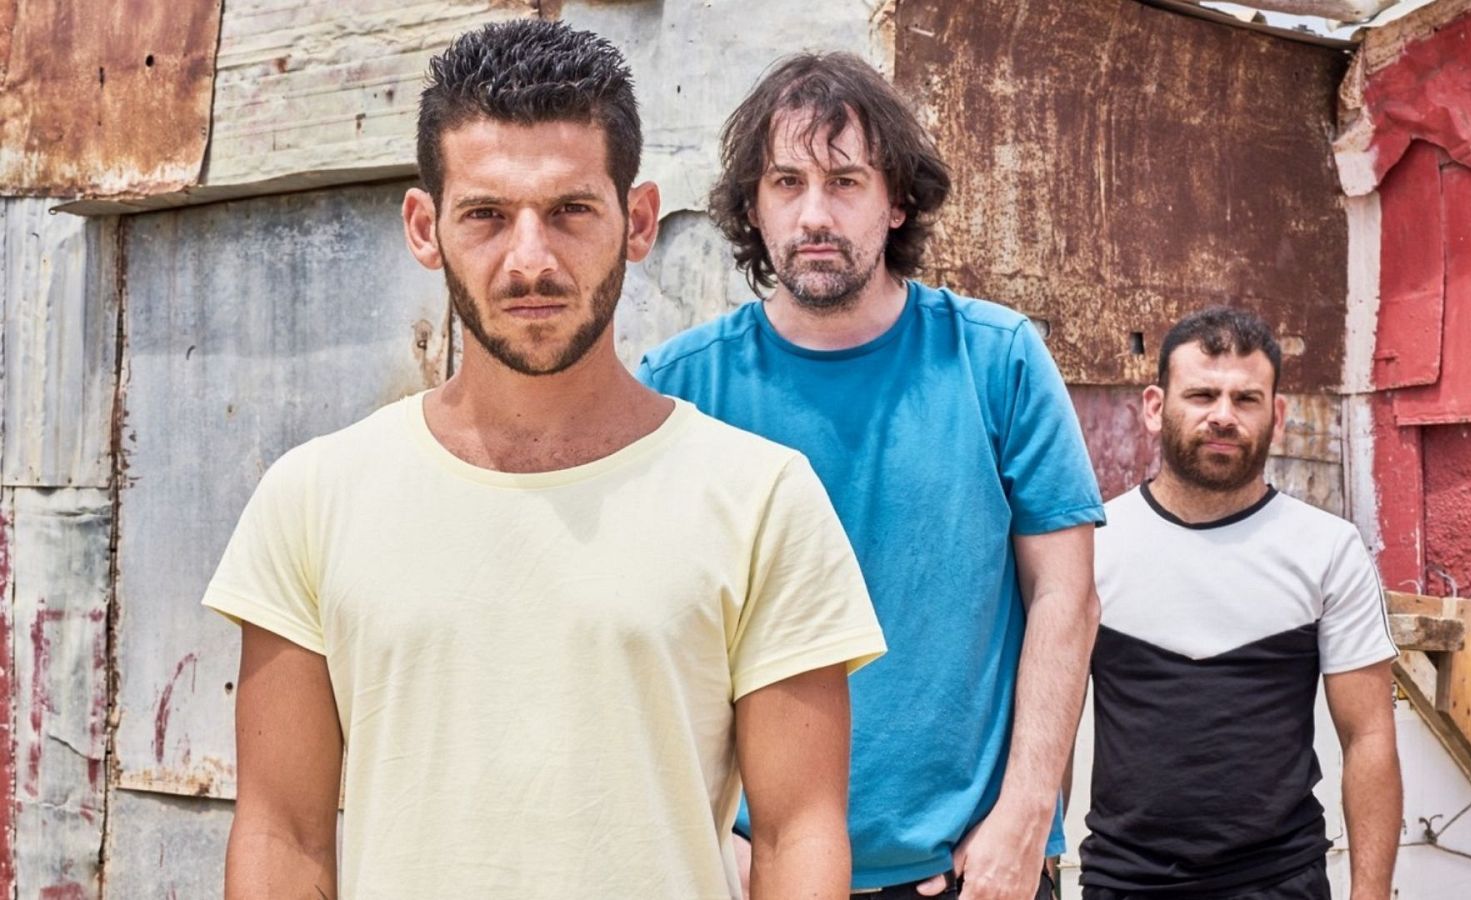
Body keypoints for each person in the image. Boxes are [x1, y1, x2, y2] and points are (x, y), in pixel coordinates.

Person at [204, 20, 885, 900]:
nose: (530, 260)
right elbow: (282, 839)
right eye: (486, 215)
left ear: (639, 221)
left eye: (570, 211)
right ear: (425, 227)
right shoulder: (312, 500)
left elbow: (797, 837)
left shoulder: (761, 500)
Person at [640, 52, 1103, 900]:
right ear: (753, 205)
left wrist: (1027, 815)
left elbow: (1065, 597)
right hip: (752, 871)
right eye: (786, 183)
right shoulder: (679, 388)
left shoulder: (996, 360)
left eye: (845, 182)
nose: (815, 214)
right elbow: (643, 632)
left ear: (896, 203)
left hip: (970, 870)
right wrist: (704, 838)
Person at [1080, 307, 1401, 900]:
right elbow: (1047, 729)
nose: (1223, 416)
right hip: (1124, 882)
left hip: (1281, 881)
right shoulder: (1092, 547)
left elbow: (1369, 737)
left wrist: (1371, 893)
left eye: (1246, 399)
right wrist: (1035, 868)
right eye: (1202, 395)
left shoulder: (1327, 549)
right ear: (1155, 407)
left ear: (1276, 416)